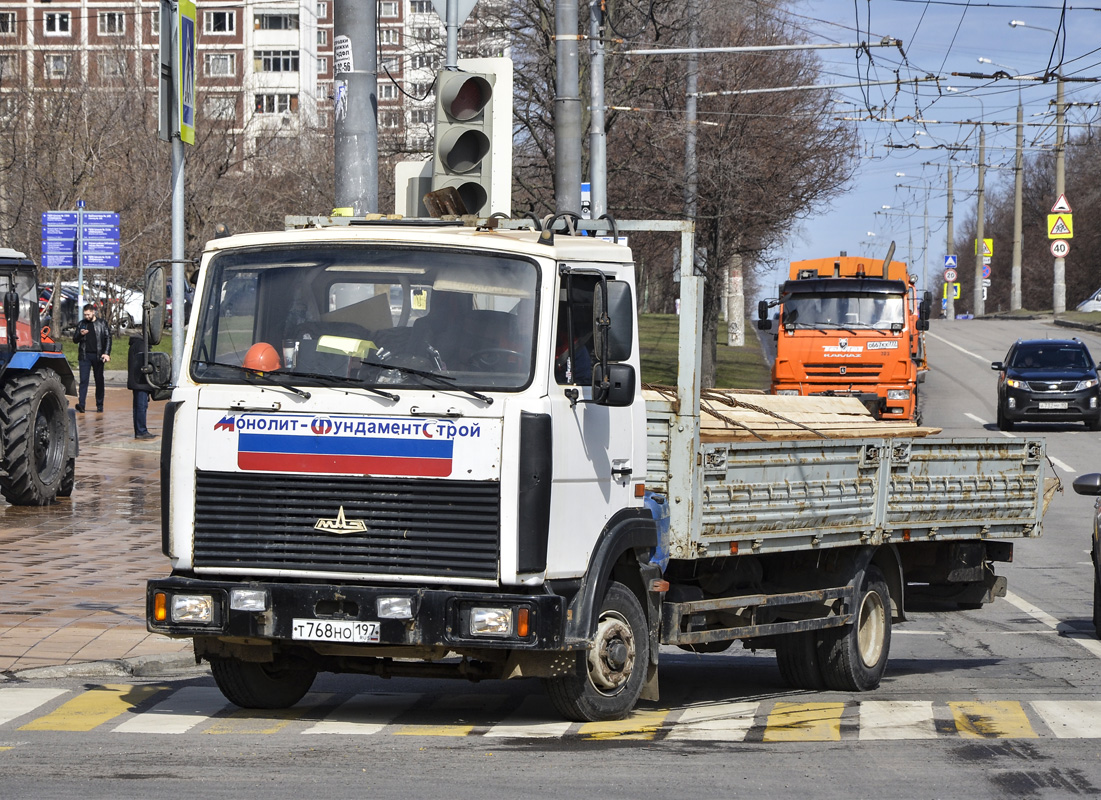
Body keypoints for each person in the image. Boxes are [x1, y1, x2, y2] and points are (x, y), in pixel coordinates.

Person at [73, 303, 111, 413]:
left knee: (99, 380)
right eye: (85, 315)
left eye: (88, 314)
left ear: (93, 312)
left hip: (98, 356)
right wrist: (80, 334)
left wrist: (106, 353)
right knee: (83, 381)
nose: (87, 317)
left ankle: (100, 405)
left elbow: (108, 338)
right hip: (85, 356)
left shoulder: (102, 324)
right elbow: (75, 340)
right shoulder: (81, 324)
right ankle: (82, 405)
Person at [127, 336, 156, 439]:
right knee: (141, 407)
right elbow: (144, 364)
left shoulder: (137, 344)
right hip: (141, 382)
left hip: (137, 381)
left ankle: (140, 430)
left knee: (138, 407)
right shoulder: (141, 345)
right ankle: (141, 431)